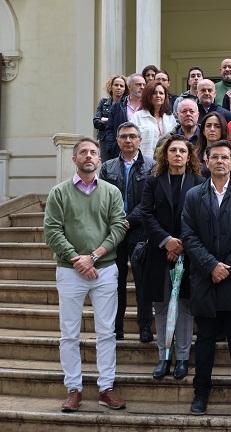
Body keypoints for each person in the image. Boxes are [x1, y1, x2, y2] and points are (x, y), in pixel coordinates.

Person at [43, 137, 127, 412]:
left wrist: (93, 256)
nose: (88, 156)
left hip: (104, 269)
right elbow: (52, 230)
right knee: (69, 333)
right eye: (83, 152)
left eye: (93, 152)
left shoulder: (112, 192)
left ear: (99, 159)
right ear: (75, 158)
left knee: (106, 332)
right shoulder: (59, 193)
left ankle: (106, 388)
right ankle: (74, 389)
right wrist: (76, 258)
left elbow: (118, 227)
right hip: (70, 271)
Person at [182, 140, 231, 416]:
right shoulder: (193, 195)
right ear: (205, 160)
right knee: (204, 341)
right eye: (214, 157)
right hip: (205, 280)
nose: (219, 161)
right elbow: (189, 236)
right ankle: (200, 393)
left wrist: (228, 267)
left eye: (224, 157)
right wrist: (210, 265)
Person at [140, 136, 204, 381]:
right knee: (162, 307)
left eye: (182, 151)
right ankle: (164, 357)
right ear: (165, 155)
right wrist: (166, 241)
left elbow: (201, 217)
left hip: (189, 253)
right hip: (159, 253)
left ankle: (183, 358)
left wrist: (182, 244)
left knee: (186, 308)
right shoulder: (153, 182)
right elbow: (146, 213)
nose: (178, 154)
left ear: (189, 157)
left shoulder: (199, 182)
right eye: (173, 150)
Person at [99, 122, 155, 342]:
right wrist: (117, 223)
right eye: (123, 137)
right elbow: (102, 197)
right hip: (114, 233)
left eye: (132, 136)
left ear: (140, 140)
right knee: (115, 282)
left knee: (143, 283)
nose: (128, 140)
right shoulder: (108, 167)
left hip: (141, 231)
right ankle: (117, 327)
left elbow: (149, 202)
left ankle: (144, 327)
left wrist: (129, 221)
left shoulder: (151, 166)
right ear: (118, 140)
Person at [104, 73, 146, 161]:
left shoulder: (149, 107)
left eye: (143, 85)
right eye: (138, 84)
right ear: (129, 86)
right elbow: (109, 129)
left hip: (143, 153)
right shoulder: (117, 106)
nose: (142, 87)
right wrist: (112, 147)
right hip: (120, 153)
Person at [132, 81, 176, 159]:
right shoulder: (138, 116)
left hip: (166, 161)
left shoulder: (169, 117)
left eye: (161, 93)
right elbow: (132, 140)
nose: (158, 95)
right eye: (154, 93)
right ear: (148, 96)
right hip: (144, 161)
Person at [94, 74, 127, 161]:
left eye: (121, 86)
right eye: (116, 85)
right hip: (104, 140)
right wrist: (113, 122)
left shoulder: (126, 105)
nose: (118, 88)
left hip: (121, 139)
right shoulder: (103, 102)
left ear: (125, 89)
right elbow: (96, 122)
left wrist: (106, 120)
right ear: (111, 87)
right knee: (106, 165)